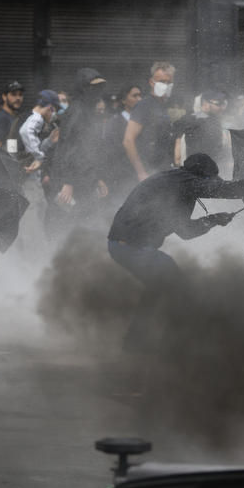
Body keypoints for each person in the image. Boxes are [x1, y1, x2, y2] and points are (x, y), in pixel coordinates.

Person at [107, 153, 236, 353]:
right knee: (184, 291)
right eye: (208, 180)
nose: (208, 184)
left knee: (157, 287)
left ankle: (135, 342)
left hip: (121, 245)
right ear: (199, 176)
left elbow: (185, 231)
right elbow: (221, 190)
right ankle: (171, 349)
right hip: (133, 246)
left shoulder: (176, 184)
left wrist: (213, 220)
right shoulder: (182, 181)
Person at [47, 68, 109, 237]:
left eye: (99, 87)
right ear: (82, 87)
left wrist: (96, 177)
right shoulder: (77, 110)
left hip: (85, 180)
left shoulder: (88, 111)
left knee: (88, 226)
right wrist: (67, 181)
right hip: (74, 183)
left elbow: (89, 149)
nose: (96, 91)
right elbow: (69, 146)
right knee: (70, 227)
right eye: (92, 87)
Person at [14, 90, 60, 263]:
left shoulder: (27, 117)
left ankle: (32, 264)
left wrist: (47, 142)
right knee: (32, 229)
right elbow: (26, 132)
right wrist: (39, 158)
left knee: (34, 225)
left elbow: (27, 146)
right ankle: (37, 268)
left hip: (28, 182)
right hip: (28, 184)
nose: (54, 115)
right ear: (49, 107)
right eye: (55, 110)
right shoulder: (36, 117)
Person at [123, 62, 178, 183]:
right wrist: (141, 172)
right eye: (162, 81)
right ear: (151, 82)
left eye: (169, 82)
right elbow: (128, 140)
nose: (166, 85)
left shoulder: (163, 106)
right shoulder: (144, 105)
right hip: (148, 172)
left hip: (163, 171)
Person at [101, 84, 142, 205]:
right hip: (122, 181)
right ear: (124, 100)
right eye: (134, 96)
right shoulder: (114, 123)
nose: (139, 99)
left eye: (140, 95)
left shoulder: (144, 122)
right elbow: (110, 153)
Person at [173, 90, 229, 174]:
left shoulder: (203, 119)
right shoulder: (202, 120)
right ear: (205, 104)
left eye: (224, 103)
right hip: (201, 173)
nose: (223, 107)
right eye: (218, 104)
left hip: (199, 171)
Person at [0, 80, 25, 148]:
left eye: (20, 95)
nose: (18, 98)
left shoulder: (17, 116)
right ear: (4, 96)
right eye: (14, 94)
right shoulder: (1, 119)